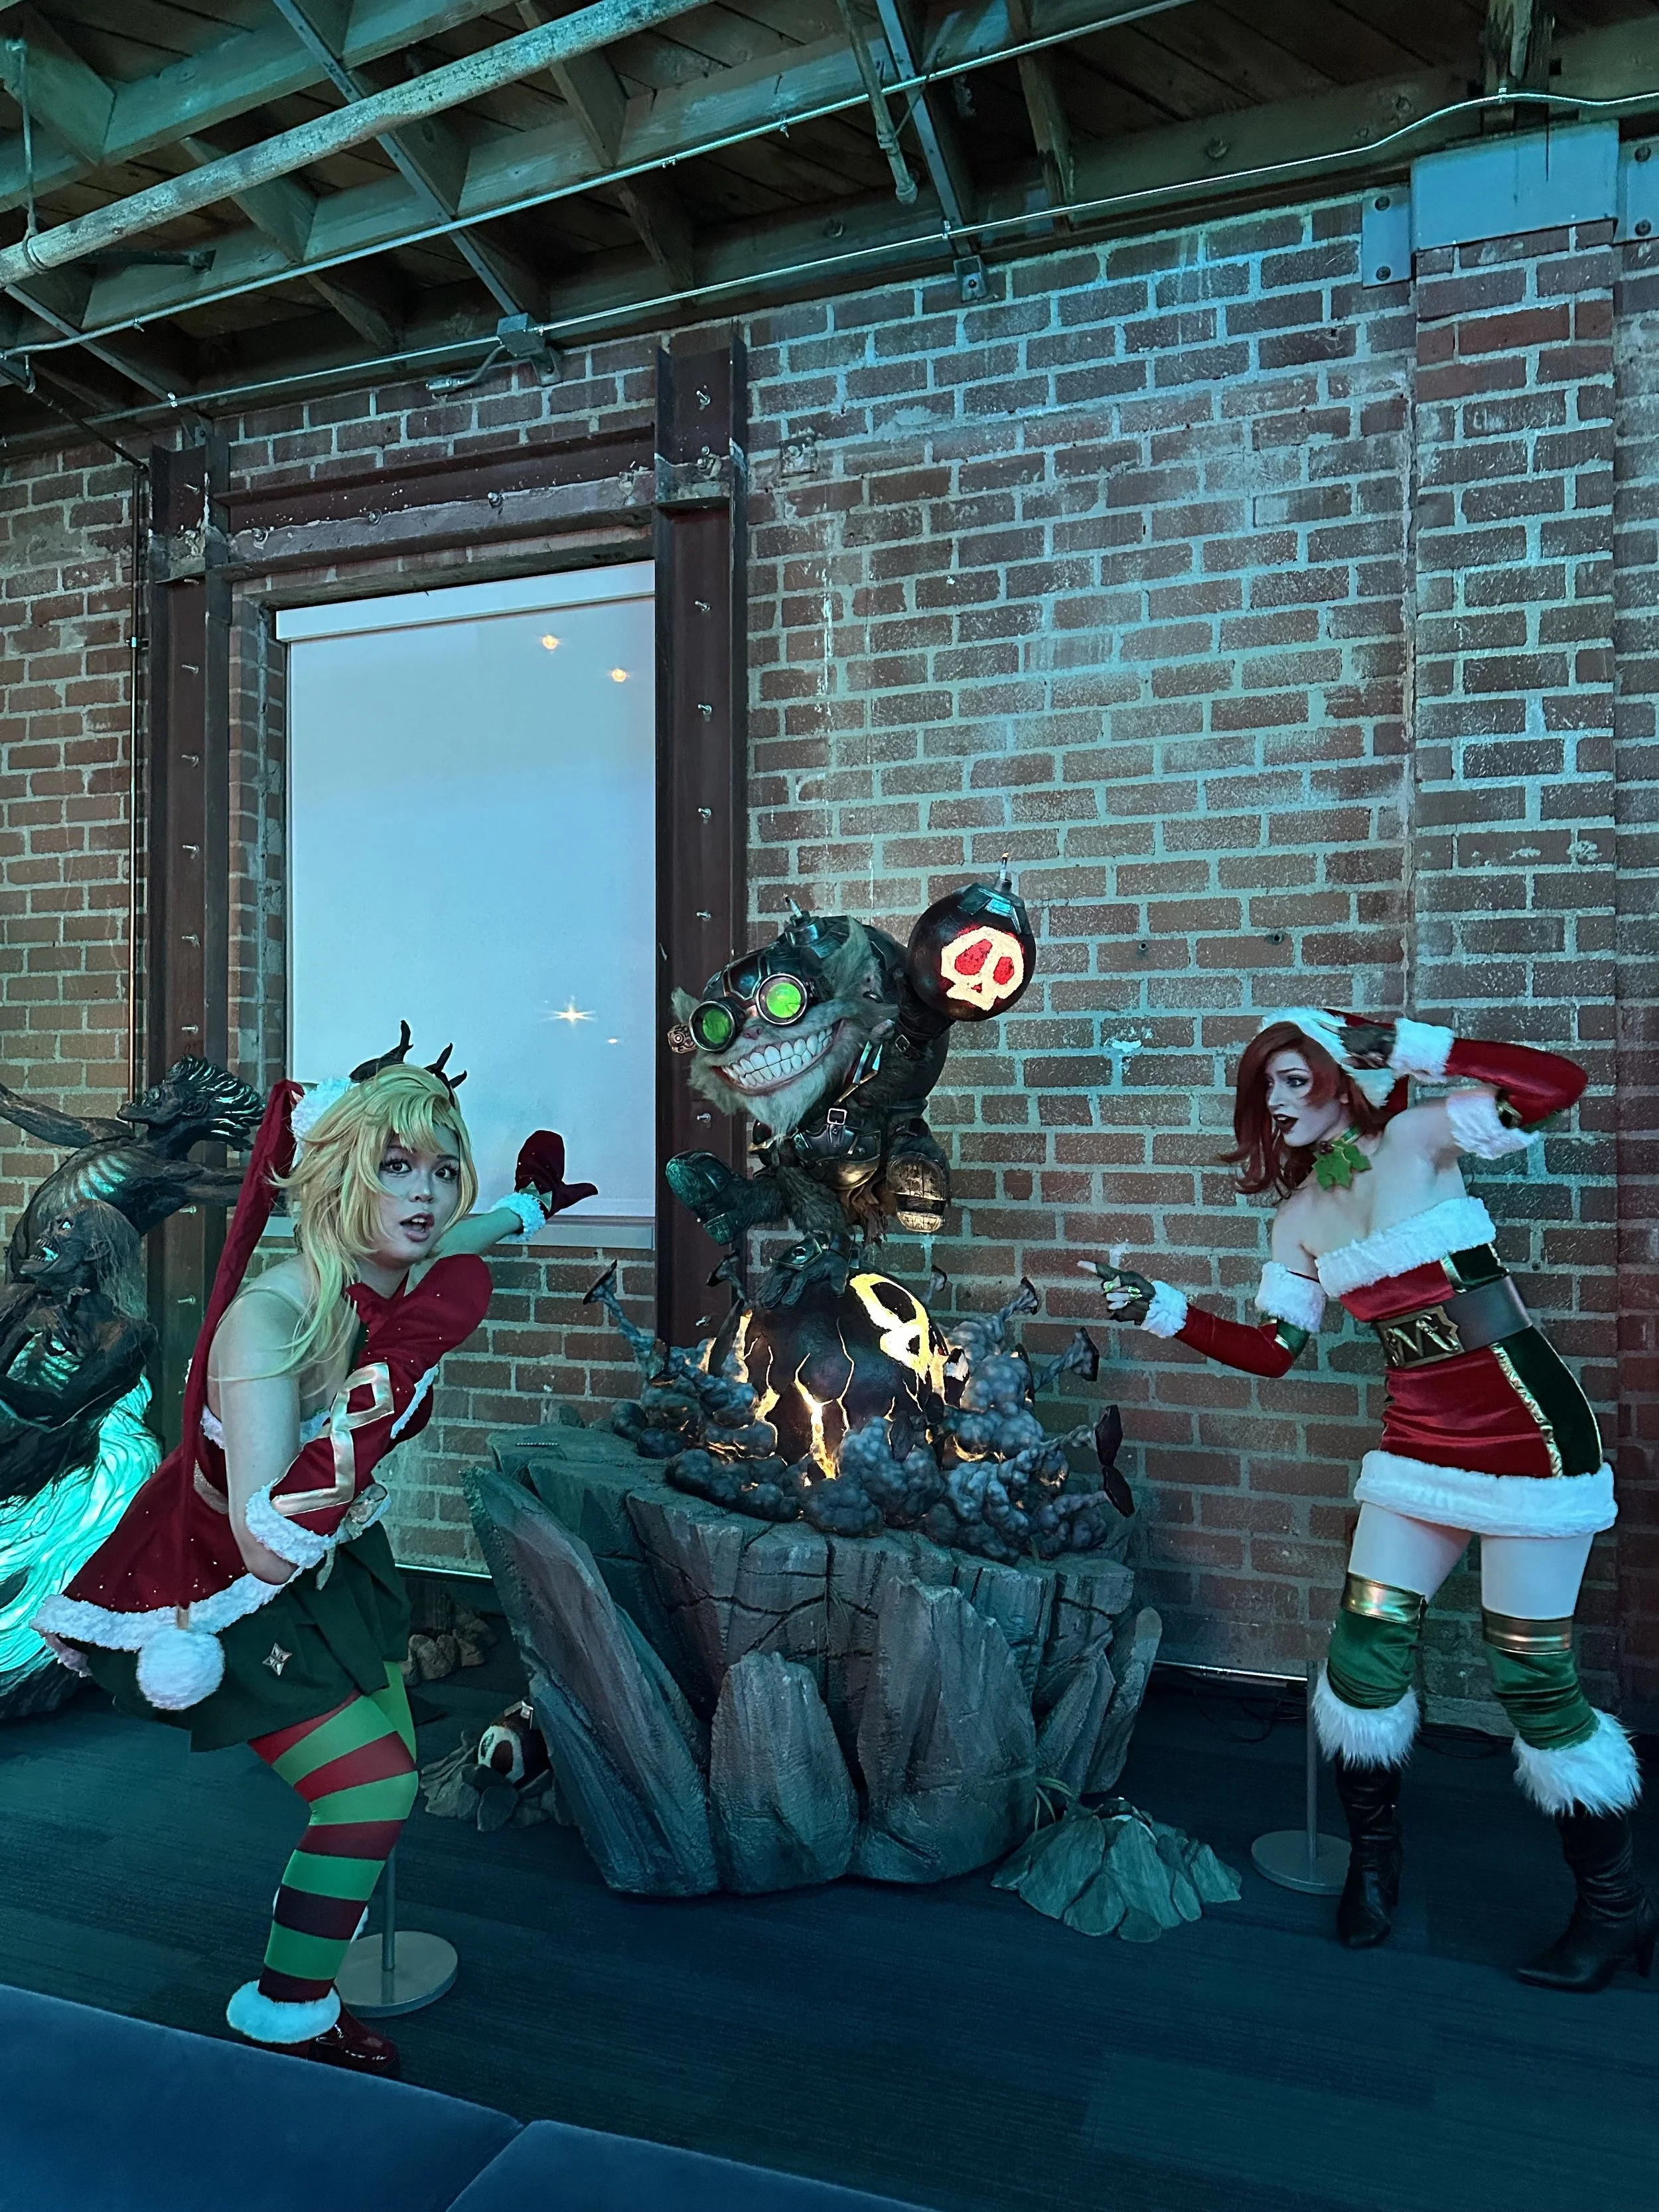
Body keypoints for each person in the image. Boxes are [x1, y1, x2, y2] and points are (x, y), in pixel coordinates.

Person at [36, 1033, 595, 2072]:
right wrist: (394, 1371)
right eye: (393, 1168)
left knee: (391, 1748)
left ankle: (330, 1949)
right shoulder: (271, 1320)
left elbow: (463, 1233)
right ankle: (291, 2008)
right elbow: (263, 1538)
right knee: (372, 1789)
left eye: (439, 1166)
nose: (423, 1196)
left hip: (349, 1558)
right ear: (336, 1176)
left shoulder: (403, 1258)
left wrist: (530, 1209)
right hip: (228, 1591)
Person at [1087, 1007, 1652, 1992]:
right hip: (1417, 1445)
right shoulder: (1298, 1218)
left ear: (1346, 1077)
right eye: (1266, 1085)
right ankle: (1376, 1872)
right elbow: (1274, 1354)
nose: (1279, 1100)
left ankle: (1617, 1912)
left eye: (1296, 1078)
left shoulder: (1422, 1136)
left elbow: (1558, 1083)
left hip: (1528, 1431)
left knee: (1532, 1679)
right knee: (1362, 1658)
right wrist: (1161, 1308)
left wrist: (1417, 1046)